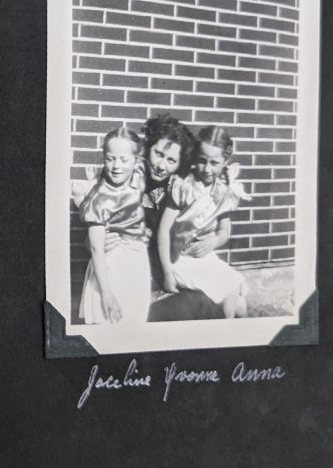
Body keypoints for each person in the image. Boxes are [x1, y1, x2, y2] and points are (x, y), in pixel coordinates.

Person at [158, 126, 250, 319]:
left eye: (214, 163)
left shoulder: (225, 191)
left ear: (225, 161)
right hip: (178, 259)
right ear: (195, 157)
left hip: (203, 258)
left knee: (239, 304)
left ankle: (228, 334)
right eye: (202, 161)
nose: (207, 169)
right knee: (231, 290)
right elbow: (164, 230)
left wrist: (214, 242)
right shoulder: (183, 186)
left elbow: (224, 231)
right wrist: (167, 272)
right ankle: (226, 336)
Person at [77, 126, 151, 324]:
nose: (116, 166)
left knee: (134, 318)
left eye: (124, 159)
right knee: (109, 319)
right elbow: (96, 248)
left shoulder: (138, 178)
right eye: (110, 158)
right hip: (111, 267)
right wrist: (107, 293)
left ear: (136, 161)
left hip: (136, 261)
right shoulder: (99, 199)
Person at [141, 114, 196, 289]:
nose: (161, 166)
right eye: (158, 154)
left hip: (163, 257)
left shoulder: (177, 188)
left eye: (171, 160)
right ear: (149, 148)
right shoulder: (134, 175)